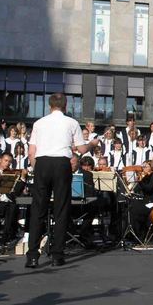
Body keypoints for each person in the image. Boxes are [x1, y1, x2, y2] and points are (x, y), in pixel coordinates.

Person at [25, 93, 99, 268]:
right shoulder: (71, 123)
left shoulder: (39, 123)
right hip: (61, 163)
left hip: (42, 163)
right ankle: (57, 255)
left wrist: (38, 169)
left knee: (38, 210)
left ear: (49, 105)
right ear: (65, 106)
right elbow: (81, 148)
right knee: (61, 209)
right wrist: (92, 144)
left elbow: (31, 153)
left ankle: (32, 256)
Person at [0, 151, 25, 244]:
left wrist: (23, 177)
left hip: (5, 203)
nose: (7, 163)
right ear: (0, 160)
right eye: (6, 161)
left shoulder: (11, 174)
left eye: (9, 162)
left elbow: (17, 191)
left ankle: (5, 237)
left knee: (12, 206)